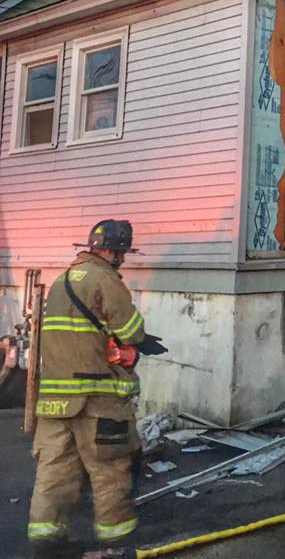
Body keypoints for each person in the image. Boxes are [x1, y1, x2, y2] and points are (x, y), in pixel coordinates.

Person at [28, 220, 166, 558]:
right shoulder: (105, 279)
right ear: (114, 251)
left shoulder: (62, 281)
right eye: (122, 253)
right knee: (111, 471)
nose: (122, 259)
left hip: (55, 400)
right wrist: (141, 341)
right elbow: (131, 330)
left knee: (55, 472)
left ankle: (46, 541)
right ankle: (116, 544)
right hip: (97, 399)